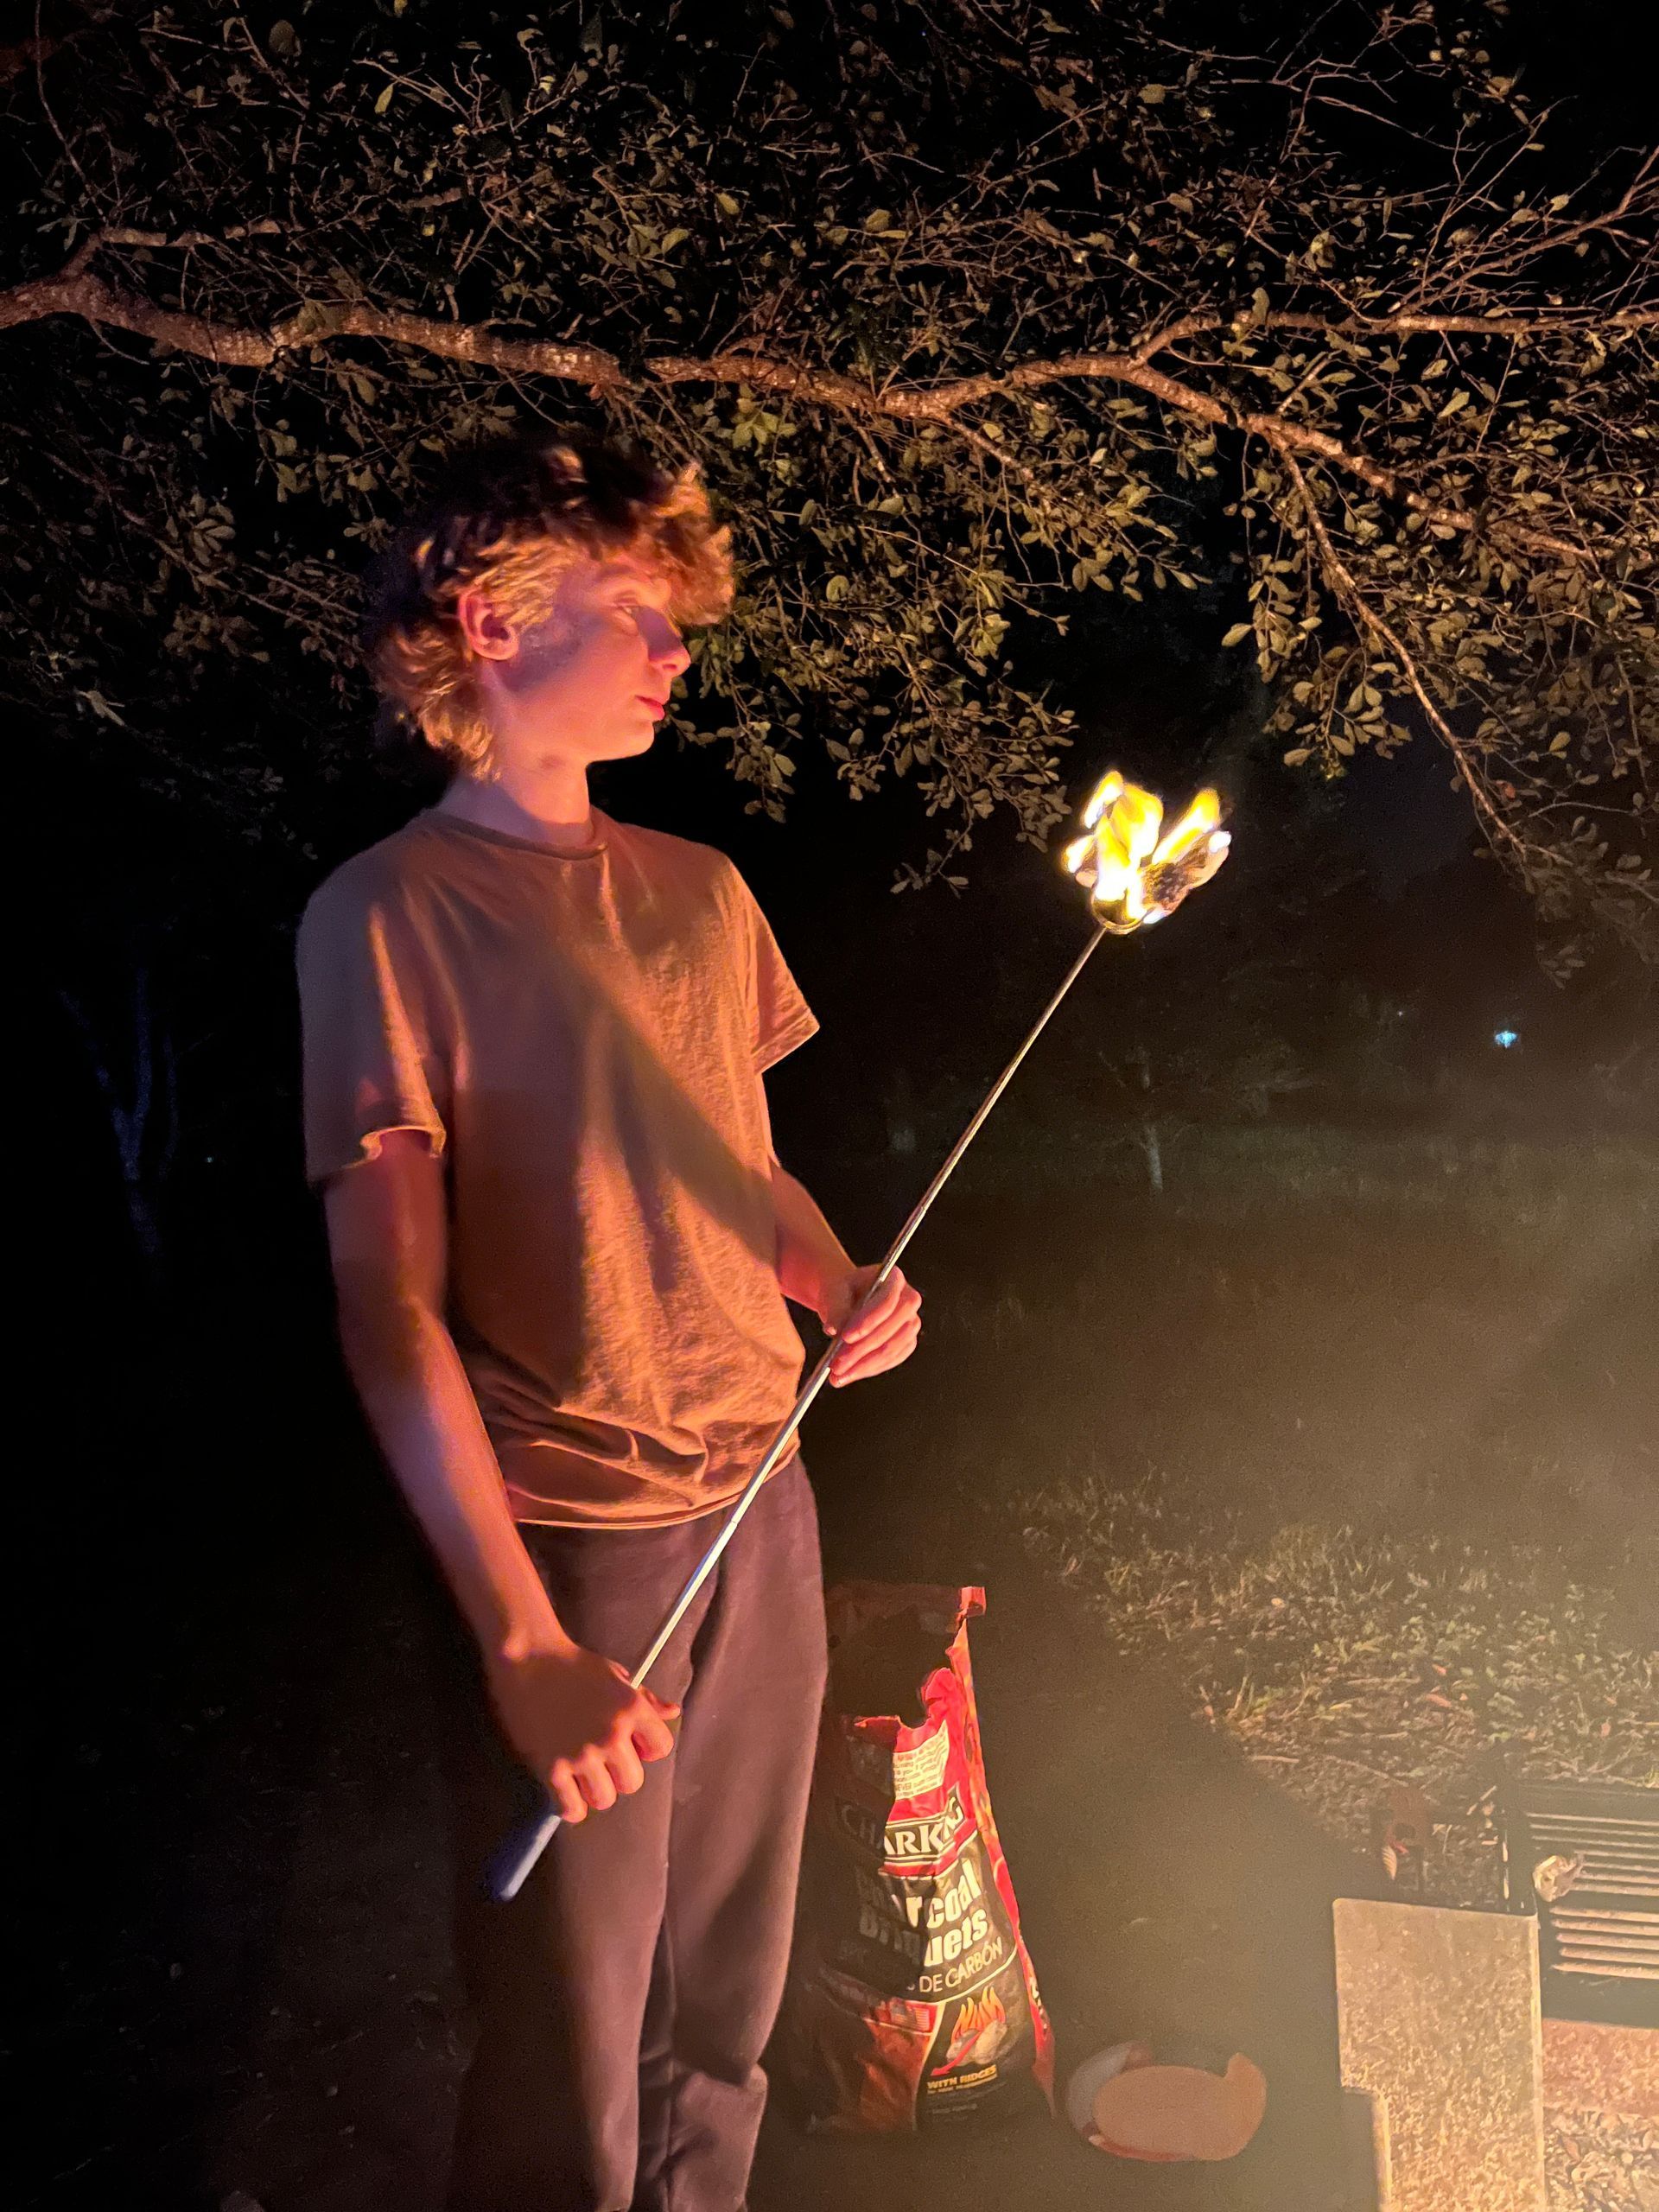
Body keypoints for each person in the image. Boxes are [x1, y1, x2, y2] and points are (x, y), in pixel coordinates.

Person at [296, 426, 921, 2212]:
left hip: (764, 1503)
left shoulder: (701, 893)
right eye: (637, 612)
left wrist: (833, 1274)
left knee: (727, 2007)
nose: (677, 654)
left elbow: (744, 1168)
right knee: (575, 2039)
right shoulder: (386, 916)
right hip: (579, 1543)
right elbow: (385, 1299)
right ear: (492, 624)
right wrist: (517, 1639)